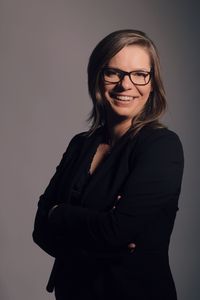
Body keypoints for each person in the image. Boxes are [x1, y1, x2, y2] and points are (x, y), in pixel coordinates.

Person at [32, 29, 184, 300]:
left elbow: (116, 231)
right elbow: (41, 231)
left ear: (152, 83)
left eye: (140, 74)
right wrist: (101, 231)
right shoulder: (81, 144)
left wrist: (59, 213)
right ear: (97, 78)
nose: (126, 85)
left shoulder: (161, 146)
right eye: (113, 72)